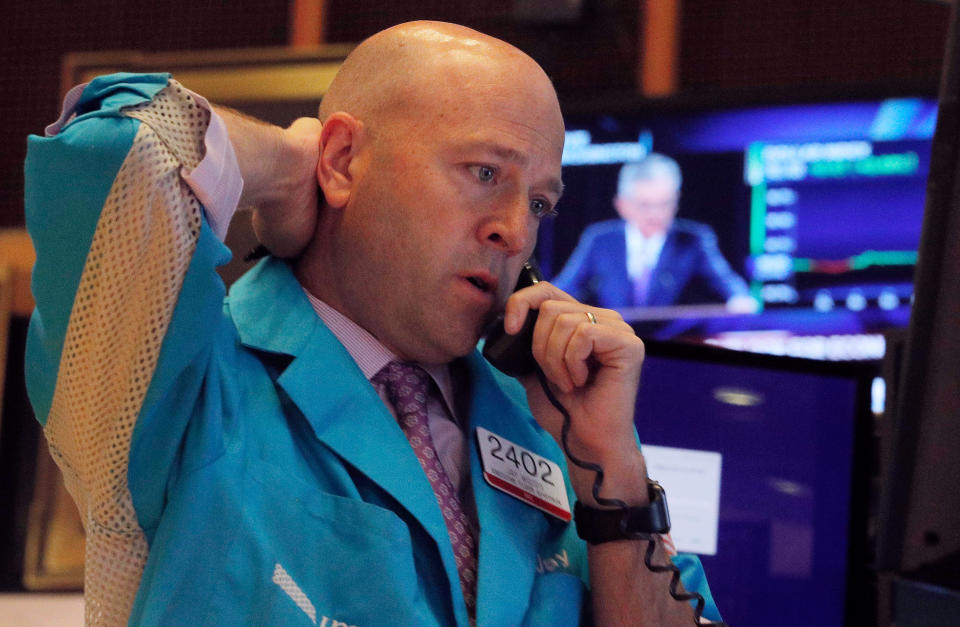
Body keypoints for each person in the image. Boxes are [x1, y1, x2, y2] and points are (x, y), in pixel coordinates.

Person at [24, 21, 722, 626]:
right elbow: (114, 149)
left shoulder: (556, 424)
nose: (515, 231)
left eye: (539, 203)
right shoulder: (193, 383)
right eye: (484, 173)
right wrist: (287, 166)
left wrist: (616, 483)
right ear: (344, 159)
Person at [553, 154, 757, 313]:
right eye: (645, 205)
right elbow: (565, 287)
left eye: (664, 204)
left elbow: (728, 284)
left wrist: (741, 300)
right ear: (622, 205)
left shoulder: (694, 239)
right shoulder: (599, 240)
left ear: (676, 200)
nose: (656, 214)